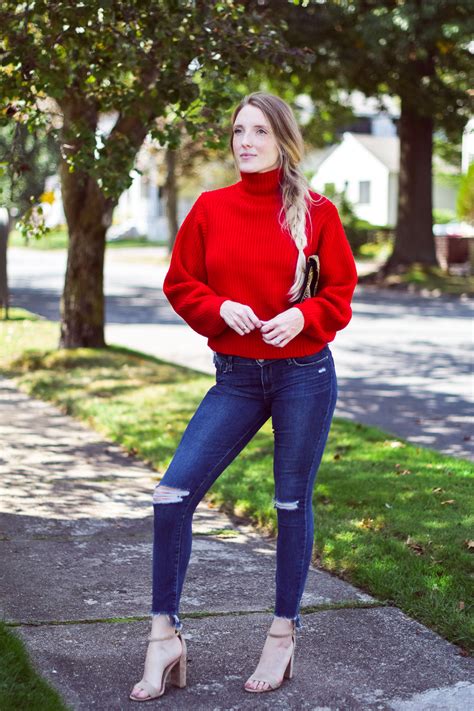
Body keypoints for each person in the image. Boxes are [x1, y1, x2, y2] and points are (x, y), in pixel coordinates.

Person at [130, 91, 358, 701]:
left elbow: (339, 292)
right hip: (235, 375)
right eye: (238, 132)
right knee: (172, 493)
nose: (246, 141)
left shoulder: (317, 212)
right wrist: (218, 308)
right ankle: (163, 638)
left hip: (302, 375)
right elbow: (180, 282)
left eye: (259, 131)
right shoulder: (209, 208)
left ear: (283, 140)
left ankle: (282, 635)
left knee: (290, 505)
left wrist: (304, 317)